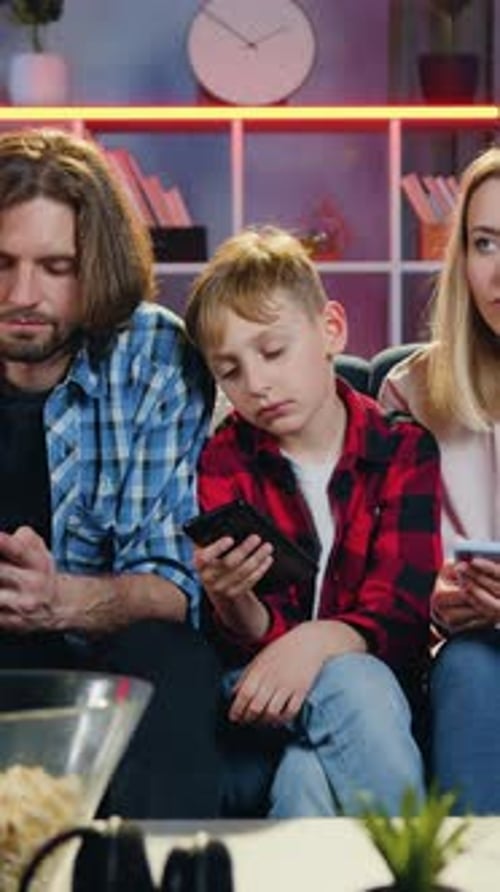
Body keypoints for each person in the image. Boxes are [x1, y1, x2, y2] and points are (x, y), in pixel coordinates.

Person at [184, 225, 442, 818]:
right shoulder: (224, 457)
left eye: (272, 352)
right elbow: (238, 636)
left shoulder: (402, 451)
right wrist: (233, 604)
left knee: (307, 778)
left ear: (331, 330)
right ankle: (422, 871)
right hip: (259, 686)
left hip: (372, 690)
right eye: (230, 370)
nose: (257, 384)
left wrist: (318, 639)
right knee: (351, 686)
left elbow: (399, 617)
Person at [0, 128, 220, 818]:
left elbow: (172, 584)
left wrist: (56, 598)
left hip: (102, 648)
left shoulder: (152, 354)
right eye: (0, 263)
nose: (22, 293)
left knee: (173, 658)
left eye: (55, 267)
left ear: (94, 264)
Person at [379, 145, 500, 814]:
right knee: (472, 666)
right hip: (461, 653)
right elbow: (381, 567)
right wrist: (430, 596)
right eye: (486, 243)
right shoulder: (411, 391)